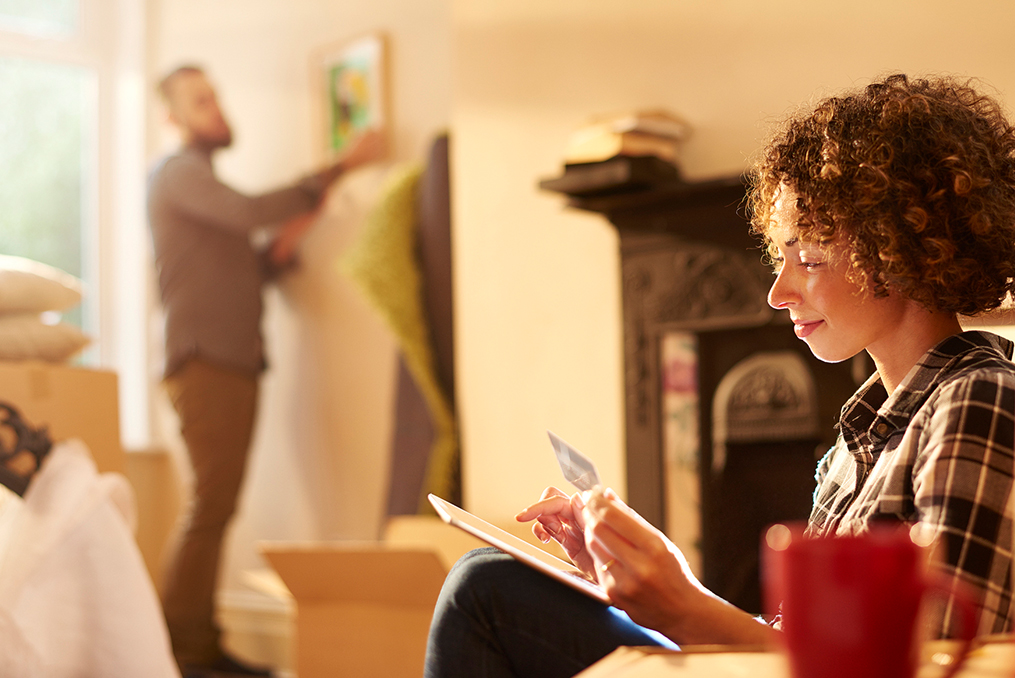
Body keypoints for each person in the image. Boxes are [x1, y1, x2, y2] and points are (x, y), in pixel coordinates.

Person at [424, 73, 1015, 678]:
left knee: (487, 596)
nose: (778, 292)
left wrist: (680, 607)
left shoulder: (980, 398)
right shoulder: (858, 440)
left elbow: (934, 664)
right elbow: (791, 653)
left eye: (809, 258)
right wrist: (653, 580)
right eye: (780, 257)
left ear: (902, 250)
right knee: (487, 579)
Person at [147, 65, 383, 677]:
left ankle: (195, 644)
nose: (215, 108)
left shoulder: (201, 191)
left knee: (216, 505)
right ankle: (184, 651)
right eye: (200, 102)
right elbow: (247, 211)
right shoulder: (176, 174)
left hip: (229, 360)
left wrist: (292, 237)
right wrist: (339, 168)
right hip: (204, 361)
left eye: (215, 95)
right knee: (210, 505)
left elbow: (253, 260)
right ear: (173, 118)